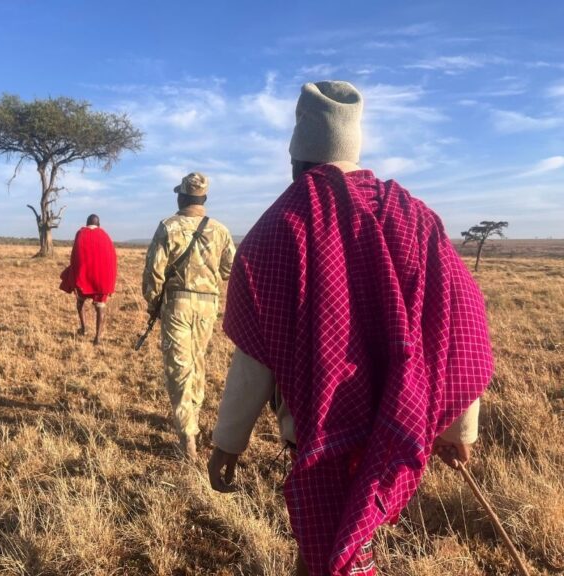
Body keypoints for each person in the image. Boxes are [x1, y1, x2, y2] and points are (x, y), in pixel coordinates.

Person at [206, 81, 493, 575]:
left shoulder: (280, 225)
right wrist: (458, 427)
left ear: (297, 156)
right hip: (398, 424)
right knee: (350, 542)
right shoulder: (417, 219)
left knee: (318, 551)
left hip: (315, 436)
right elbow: (454, 325)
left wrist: (229, 441)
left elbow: (254, 354)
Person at [143, 172, 236, 461]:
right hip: (208, 305)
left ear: (182, 197)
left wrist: (153, 303)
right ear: (203, 199)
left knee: (179, 367)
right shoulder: (220, 230)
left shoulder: (168, 227)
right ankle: (193, 419)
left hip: (178, 304)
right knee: (196, 362)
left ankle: (188, 437)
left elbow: (153, 273)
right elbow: (230, 268)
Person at [59, 214, 117, 345]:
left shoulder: (81, 233)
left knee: (80, 302)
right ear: (99, 224)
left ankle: (84, 328)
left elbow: (75, 256)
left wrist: (74, 275)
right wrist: (110, 282)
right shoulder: (105, 235)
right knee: (100, 308)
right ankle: (97, 338)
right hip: (102, 280)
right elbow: (112, 259)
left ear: (86, 223)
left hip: (84, 278)